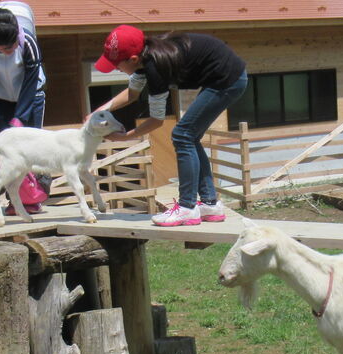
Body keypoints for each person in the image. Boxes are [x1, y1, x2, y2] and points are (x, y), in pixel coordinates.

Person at [95, 25, 248, 227]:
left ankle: (187, 207)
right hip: (222, 76)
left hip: (228, 79)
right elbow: (132, 94)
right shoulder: (144, 57)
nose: (116, 68)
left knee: (182, 134)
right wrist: (99, 111)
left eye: (117, 64)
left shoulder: (155, 68)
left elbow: (156, 120)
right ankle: (210, 204)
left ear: (133, 59)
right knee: (189, 136)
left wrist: (124, 137)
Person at [0, 0, 47, 131]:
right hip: (0, 98)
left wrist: (20, 118)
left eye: (13, 44)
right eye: (3, 46)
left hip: (31, 97)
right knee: (4, 139)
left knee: (31, 140)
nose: (9, 49)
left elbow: (31, 82)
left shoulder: (28, 42)